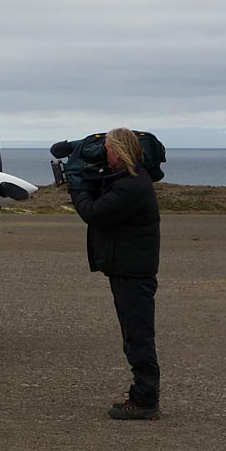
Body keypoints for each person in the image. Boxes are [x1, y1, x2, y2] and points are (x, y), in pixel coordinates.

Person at [68, 127, 161, 420]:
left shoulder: (130, 186)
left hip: (132, 271)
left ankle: (145, 400)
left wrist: (77, 186)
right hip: (128, 268)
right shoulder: (129, 179)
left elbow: (94, 213)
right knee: (135, 334)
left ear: (117, 151)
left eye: (107, 148)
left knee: (138, 336)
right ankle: (143, 396)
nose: (103, 153)